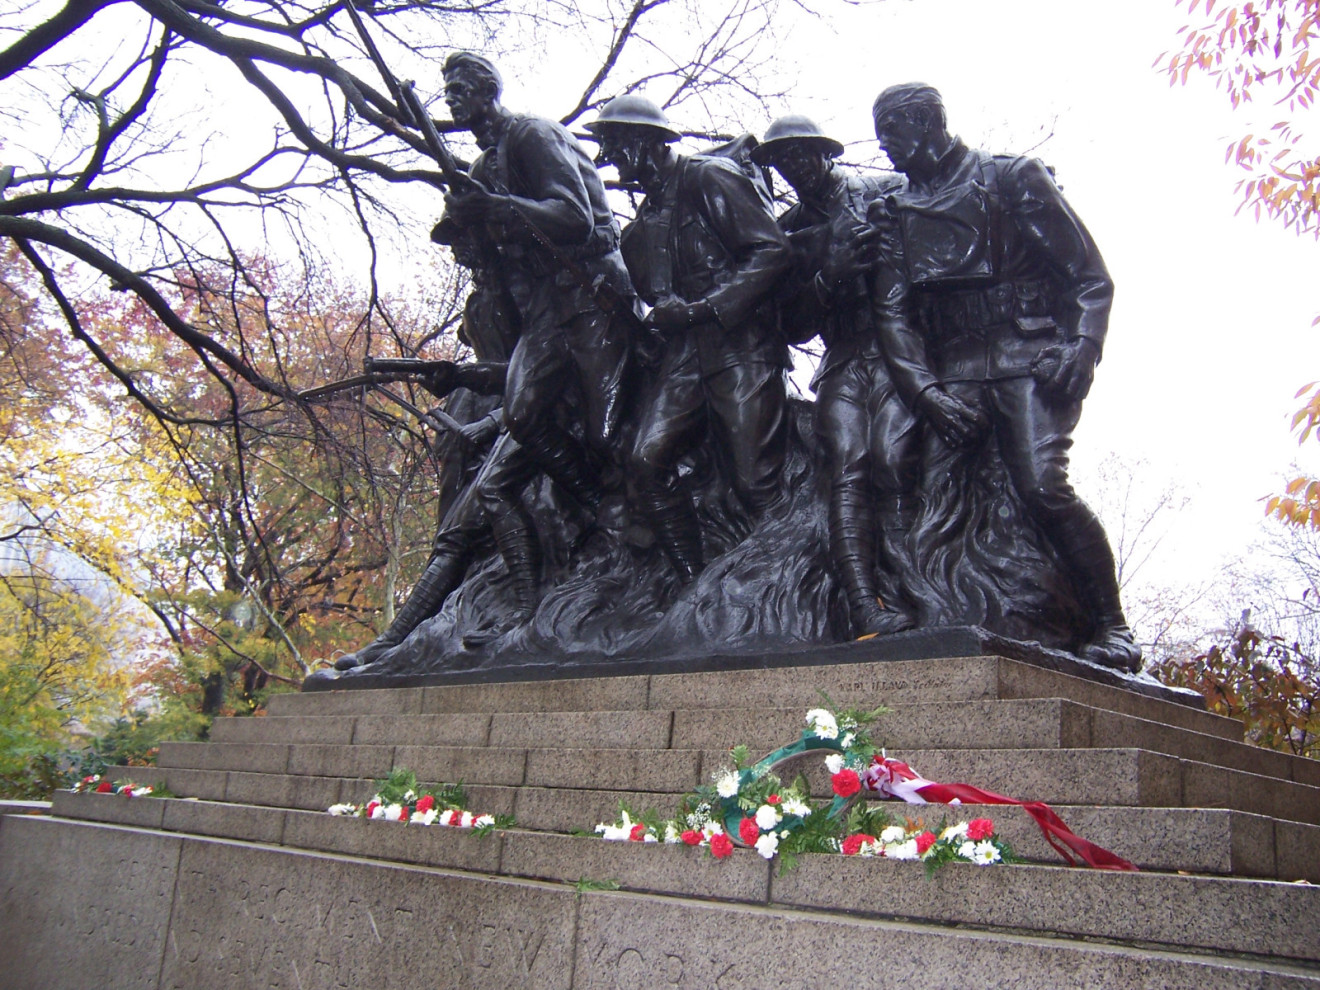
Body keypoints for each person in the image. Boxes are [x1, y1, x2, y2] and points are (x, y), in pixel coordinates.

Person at [869, 82, 1140, 671]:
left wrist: (1084, 347)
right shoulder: (895, 210)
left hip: (1027, 357)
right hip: (954, 370)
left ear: (929, 123)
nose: (884, 144)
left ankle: (1110, 623)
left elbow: (1090, 277)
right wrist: (926, 392)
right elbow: (893, 315)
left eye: (892, 129)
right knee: (903, 471)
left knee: (1043, 486)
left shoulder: (1012, 178)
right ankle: (932, 607)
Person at [585, 95, 792, 581]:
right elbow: (652, 321)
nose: (611, 158)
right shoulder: (636, 234)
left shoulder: (708, 179)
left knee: (754, 482)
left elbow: (772, 251)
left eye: (616, 146)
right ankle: (694, 584)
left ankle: (789, 586)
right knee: (645, 461)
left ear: (647, 141)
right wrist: (621, 309)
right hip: (682, 362)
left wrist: (704, 308)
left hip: (741, 349)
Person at [439, 51, 635, 517]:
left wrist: (496, 207)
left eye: (461, 89)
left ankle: (637, 508)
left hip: (592, 287)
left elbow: (575, 218)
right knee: (523, 414)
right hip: (549, 302)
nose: (451, 99)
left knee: (606, 431)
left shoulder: (532, 134)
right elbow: (496, 258)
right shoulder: (484, 167)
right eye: (447, 92)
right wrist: (470, 222)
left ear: (490, 91)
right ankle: (599, 509)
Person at [751, 115, 921, 637]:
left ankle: (913, 591)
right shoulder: (787, 231)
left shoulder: (887, 191)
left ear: (827, 154)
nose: (793, 167)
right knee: (847, 469)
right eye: (782, 161)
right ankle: (862, 606)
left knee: (894, 461)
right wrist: (829, 277)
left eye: (803, 154)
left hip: (902, 353)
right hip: (843, 358)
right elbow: (791, 326)